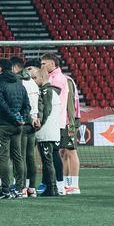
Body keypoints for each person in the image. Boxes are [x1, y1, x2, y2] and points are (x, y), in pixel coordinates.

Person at [0, 56, 30, 200]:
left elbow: (0, 104)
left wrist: (14, 117)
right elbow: (27, 106)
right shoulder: (20, 85)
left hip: (3, 125)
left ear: (0, 68)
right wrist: (21, 119)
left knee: (3, 158)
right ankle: (19, 189)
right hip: (18, 127)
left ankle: (5, 190)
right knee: (18, 157)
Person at [41, 52, 82, 195]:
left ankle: (75, 185)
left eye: (44, 63)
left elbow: (71, 102)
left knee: (71, 151)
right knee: (62, 152)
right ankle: (65, 183)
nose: (42, 66)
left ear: (53, 64)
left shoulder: (62, 79)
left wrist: (71, 122)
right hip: (58, 121)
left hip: (65, 121)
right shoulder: (52, 77)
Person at [34, 59, 63, 196]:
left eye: (35, 78)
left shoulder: (47, 92)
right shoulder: (51, 91)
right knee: (47, 160)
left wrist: (39, 123)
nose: (34, 81)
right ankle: (53, 187)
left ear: (41, 78)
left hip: (46, 132)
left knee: (48, 160)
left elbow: (46, 111)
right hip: (50, 131)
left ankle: (52, 188)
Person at [19, 59, 43, 197]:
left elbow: (23, 105)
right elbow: (40, 105)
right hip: (33, 124)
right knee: (30, 157)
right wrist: (38, 118)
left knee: (20, 157)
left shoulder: (21, 84)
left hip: (24, 123)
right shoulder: (34, 84)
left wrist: (29, 118)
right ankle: (31, 188)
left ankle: (21, 187)